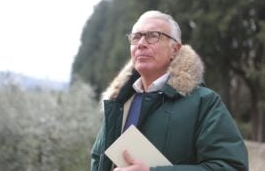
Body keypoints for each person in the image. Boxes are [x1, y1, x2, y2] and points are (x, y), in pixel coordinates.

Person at [91, 10, 248, 171]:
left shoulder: (204, 102)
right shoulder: (119, 103)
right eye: (136, 37)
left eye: (153, 36)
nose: (141, 43)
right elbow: (98, 160)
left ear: (175, 49)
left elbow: (231, 166)